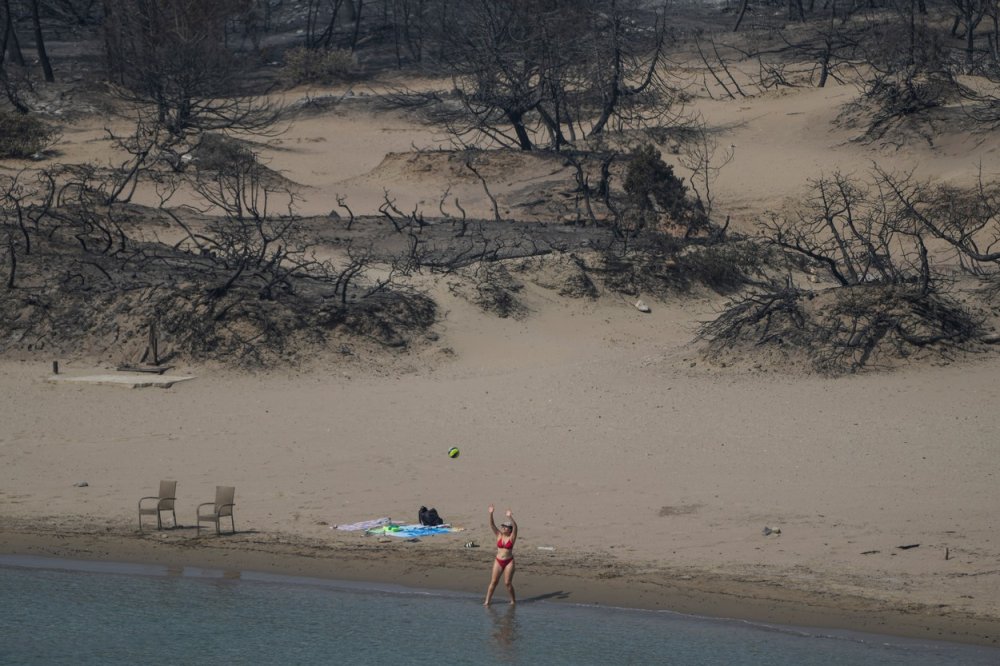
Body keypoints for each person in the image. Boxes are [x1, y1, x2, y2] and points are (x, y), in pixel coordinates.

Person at [484, 504, 517, 606]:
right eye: (503, 526)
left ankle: (513, 600)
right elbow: (492, 525)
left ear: (510, 529)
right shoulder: (499, 535)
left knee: (507, 583)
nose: (503, 528)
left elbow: (516, 527)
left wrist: (510, 517)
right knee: (494, 582)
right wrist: (491, 513)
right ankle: (487, 601)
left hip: (509, 561)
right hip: (498, 560)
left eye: (506, 527)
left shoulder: (512, 537)